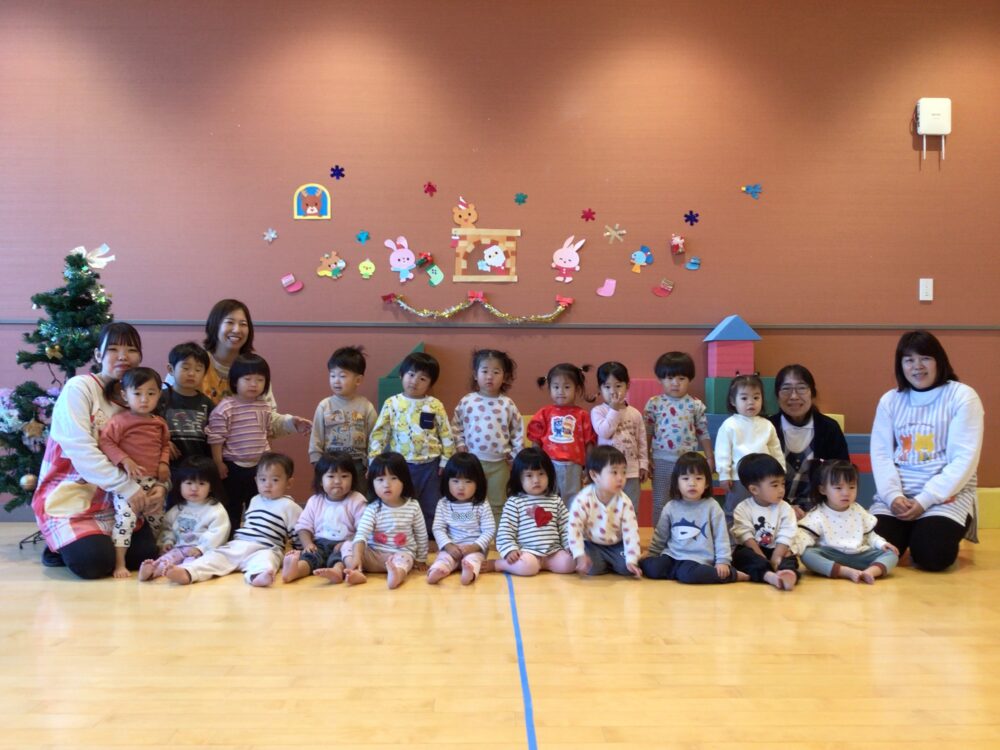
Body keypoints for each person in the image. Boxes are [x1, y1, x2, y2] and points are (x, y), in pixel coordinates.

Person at [32, 322, 164, 579]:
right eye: (113, 349)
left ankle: (81, 544)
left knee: (143, 554)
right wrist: (127, 486)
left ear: (140, 357)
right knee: (94, 563)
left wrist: (159, 486)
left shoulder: (136, 397)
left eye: (131, 350)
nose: (123, 356)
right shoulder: (80, 388)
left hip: (116, 502)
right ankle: (59, 544)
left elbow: (152, 450)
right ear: (97, 355)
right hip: (74, 496)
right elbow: (81, 450)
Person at [870, 330, 984, 571]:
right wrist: (893, 496)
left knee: (932, 556)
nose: (917, 366)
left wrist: (925, 500)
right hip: (899, 497)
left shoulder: (962, 396)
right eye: (909, 360)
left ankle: (924, 529)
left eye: (925, 358)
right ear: (900, 365)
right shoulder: (890, 400)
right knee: (872, 550)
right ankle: (911, 527)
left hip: (945, 497)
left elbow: (964, 459)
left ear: (939, 361)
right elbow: (881, 455)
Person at [205, 354, 310, 535]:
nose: (254, 384)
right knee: (232, 506)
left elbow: (267, 434)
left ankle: (259, 535)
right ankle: (230, 538)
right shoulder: (225, 407)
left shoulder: (264, 407)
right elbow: (216, 438)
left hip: (260, 467)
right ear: (235, 381)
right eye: (247, 379)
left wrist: (269, 461)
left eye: (260, 380)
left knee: (260, 504)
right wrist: (218, 463)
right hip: (233, 467)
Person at [164, 452, 302, 587]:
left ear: (289, 483)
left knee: (267, 559)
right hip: (240, 543)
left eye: (275, 480)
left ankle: (258, 575)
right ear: (256, 480)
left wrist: (299, 552)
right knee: (216, 556)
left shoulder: (290, 506)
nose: (267, 484)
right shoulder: (255, 499)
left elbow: (298, 533)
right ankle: (188, 572)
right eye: (262, 479)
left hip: (267, 546)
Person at [368, 352, 455, 533]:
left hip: (431, 466)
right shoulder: (392, 403)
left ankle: (431, 536)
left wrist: (446, 460)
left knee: (432, 503)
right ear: (402, 375)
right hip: (400, 466)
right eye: (411, 374)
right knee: (403, 501)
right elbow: (380, 434)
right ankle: (403, 534)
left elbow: (446, 433)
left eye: (422, 378)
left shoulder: (435, 405)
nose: (415, 381)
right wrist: (374, 460)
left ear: (430, 384)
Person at [97, 367, 171, 578]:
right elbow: (106, 442)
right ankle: (119, 563)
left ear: (159, 395)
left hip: (152, 482)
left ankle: (158, 558)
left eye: (151, 393)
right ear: (125, 395)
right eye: (137, 393)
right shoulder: (119, 421)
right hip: (127, 483)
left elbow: (165, 445)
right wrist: (125, 459)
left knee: (158, 519)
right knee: (126, 520)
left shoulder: (159, 423)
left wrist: (163, 463)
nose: (144, 399)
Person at [640, 452, 748, 584]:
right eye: (685, 478)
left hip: (697, 559)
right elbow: (660, 535)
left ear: (707, 483)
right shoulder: (671, 506)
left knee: (690, 575)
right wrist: (652, 555)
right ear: (677, 483)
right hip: (672, 556)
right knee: (652, 568)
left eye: (698, 478)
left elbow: (721, 537)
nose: (692, 483)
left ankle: (733, 574)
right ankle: (677, 573)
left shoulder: (712, 507)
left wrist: (723, 561)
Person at [450, 349, 524, 524]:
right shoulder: (467, 401)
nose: (490, 376)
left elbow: (517, 431)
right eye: (484, 371)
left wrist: (515, 456)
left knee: (498, 503)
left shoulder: (507, 404)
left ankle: (497, 535)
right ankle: (469, 531)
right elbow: (456, 426)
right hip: (473, 463)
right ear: (475, 375)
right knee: (470, 500)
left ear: (504, 377)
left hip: (500, 464)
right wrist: (459, 443)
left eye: (496, 372)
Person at [768, 364, 849, 517]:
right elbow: (758, 477)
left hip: (822, 511)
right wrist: (784, 508)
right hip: (773, 510)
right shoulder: (766, 427)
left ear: (812, 393)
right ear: (777, 395)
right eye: (786, 389)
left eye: (801, 388)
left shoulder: (829, 428)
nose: (794, 396)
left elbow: (842, 475)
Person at [799, 460, 899, 583]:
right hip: (831, 556)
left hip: (860, 556)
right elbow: (804, 537)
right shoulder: (817, 513)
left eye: (852, 487)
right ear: (823, 490)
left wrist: (881, 544)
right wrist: (793, 548)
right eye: (838, 488)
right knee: (807, 554)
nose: (846, 493)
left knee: (891, 554)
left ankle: (870, 572)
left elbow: (870, 536)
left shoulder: (859, 510)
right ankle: (845, 571)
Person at [644, 352, 713, 528]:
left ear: (689, 379)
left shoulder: (695, 405)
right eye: (670, 378)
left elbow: (703, 432)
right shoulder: (654, 403)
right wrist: (646, 457)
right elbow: (648, 431)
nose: (675, 383)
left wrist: (709, 457)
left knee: (687, 500)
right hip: (661, 460)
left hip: (687, 462)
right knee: (661, 501)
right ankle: (659, 538)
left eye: (681, 378)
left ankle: (685, 535)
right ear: (660, 379)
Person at [343, 452, 429, 589]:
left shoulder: (413, 506)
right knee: (347, 546)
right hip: (374, 556)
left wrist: (421, 559)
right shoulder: (372, 508)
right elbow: (362, 534)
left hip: (399, 556)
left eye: (393, 478)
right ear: (372, 483)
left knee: (406, 558)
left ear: (404, 480)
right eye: (380, 479)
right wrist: (357, 557)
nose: (387, 485)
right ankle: (355, 571)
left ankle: (397, 575)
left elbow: (421, 534)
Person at [138, 456, 230, 581]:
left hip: (200, 550)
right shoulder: (177, 508)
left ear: (211, 487)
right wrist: (167, 542)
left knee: (195, 563)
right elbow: (167, 528)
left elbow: (218, 532)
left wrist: (201, 548)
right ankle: (152, 571)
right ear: (180, 485)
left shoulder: (215, 509)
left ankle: (182, 573)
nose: (194, 488)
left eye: (201, 483)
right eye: (189, 483)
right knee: (167, 558)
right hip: (179, 548)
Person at [486, 447, 575, 577]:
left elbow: (566, 526)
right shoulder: (515, 502)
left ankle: (548, 563)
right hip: (527, 553)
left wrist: (569, 545)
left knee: (570, 563)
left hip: (553, 552)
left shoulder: (555, 500)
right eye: (529, 475)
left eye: (541, 474)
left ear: (549, 475)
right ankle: (498, 564)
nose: (536, 480)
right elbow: (505, 531)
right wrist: (510, 550)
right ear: (519, 478)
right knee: (528, 567)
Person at [282, 451, 367, 584]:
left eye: (344, 476)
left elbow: (364, 528)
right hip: (319, 544)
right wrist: (308, 544)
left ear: (353, 479)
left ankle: (337, 571)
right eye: (331, 476)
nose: (337, 481)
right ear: (320, 481)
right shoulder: (315, 501)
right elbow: (303, 527)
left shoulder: (357, 500)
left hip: (345, 543)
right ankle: (296, 570)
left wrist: (348, 541)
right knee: (310, 557)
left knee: (342, 557)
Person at [715, 374, 785, 526]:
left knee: (764, 510)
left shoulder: (767, 425)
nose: (751, 402)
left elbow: (775, 450)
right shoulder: (729, 425)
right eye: (744, 398)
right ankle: (732, 538)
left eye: (756, 397)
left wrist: (781, 471)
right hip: (738, 478)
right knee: (735, 511)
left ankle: (762, 535)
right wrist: (724, 474)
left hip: (765, 478)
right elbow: (722, 452)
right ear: (733, 401)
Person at [308, 346, 377, 494]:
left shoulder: (366, 407)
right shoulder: (324, 406)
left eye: (342, 376)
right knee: (332, 499)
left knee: (359, 500)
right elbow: (316, 436)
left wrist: (372, 463)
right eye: (332, 375)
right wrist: (317, 462)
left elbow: (374, 439)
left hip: (358, 465)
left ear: (358, 380)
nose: (336, 381)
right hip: (331, 465)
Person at [527, 363, 597, 506]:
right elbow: (536, 440)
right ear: (550, 388)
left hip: (574, 466)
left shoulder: (583, 415)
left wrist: (589, 467)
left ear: (577, 389)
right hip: (549, 465)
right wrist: (536, 462)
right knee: (549, 498)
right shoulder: (544, 413)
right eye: (556, 387)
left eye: (567, 387)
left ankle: (571, 521)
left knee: (573, 499)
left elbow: (589, 443)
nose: (561, 391)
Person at [567, 445, 642, 578]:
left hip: (616, 545)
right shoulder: (583, 499)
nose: (620, 478)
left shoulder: (625, 502)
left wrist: (632, 560)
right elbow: (574, 529)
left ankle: (610, 563)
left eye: (624, 472)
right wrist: (579, 555)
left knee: (626, 568)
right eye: (614, 472)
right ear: (594, 475)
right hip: (592, 544)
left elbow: (631, 532)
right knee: (591, 568)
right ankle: (603, 563)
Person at [730, 453, 800, 591]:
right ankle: (768, 576)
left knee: (789, 557)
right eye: (775, 485)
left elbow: (787, 534)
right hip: (755, 550)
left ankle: (787, 574)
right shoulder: (743, 508)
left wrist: (777, 556)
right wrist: (761, 557)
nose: (781, 490)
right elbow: (745, 536)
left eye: (783, 484)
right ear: (754, 489)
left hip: (777, 549)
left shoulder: (785, 508)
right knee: (741, 556)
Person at [160, 342, 217, 508]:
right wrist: (163, 441)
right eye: (185, 368)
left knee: (194, 507)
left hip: (197, 469)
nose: (192, 373)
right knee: (170, 506)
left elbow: (214, 435)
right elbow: (148, 425)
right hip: (169, 467)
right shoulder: (161, 398)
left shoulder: (207, 404)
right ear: (170, 369)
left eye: (198, 369)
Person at [427, 452, 495, 585]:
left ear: (478, 483)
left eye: (468, 481)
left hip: (474, 549)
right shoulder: (443, 504)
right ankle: (438, 571)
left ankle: (469, 572)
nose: (461, 487)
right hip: (451, 549)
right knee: (443, 559)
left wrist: (474, 547)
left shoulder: (481, 504)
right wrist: (448, 546)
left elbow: (489, 530)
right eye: (455, 481)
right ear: (447, 481)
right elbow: (438, 528)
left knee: (473, 560)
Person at [590, 362, 648, 513]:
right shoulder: (598, 411)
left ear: (627, 386)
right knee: (607, 510)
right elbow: (604, 432)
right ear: (600, 389)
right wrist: (614, 410)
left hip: (631, 471)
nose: (613, 391)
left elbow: (642, 441)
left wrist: (643, 465)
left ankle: (628, 529)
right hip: (606, 471)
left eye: (618, 386)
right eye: (607, 387)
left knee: (630, 508)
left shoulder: (635, 413)